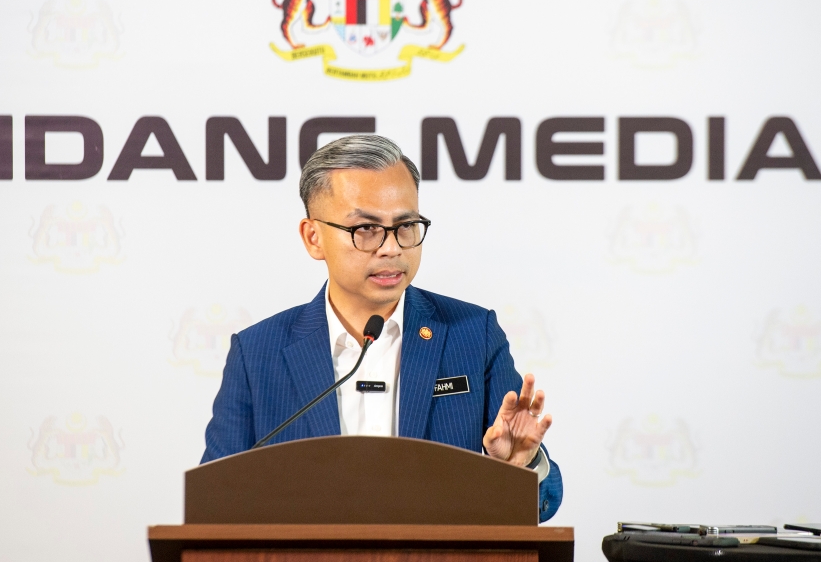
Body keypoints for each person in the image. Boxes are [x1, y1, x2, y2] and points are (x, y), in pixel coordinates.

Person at [201, 135, 563, 521]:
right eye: (366, 229)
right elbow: (213, 503)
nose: (392, 248)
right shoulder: (258, 353)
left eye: (405, 225)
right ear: (313, 237)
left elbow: (544, 501)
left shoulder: (473, 335)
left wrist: (519, 469)